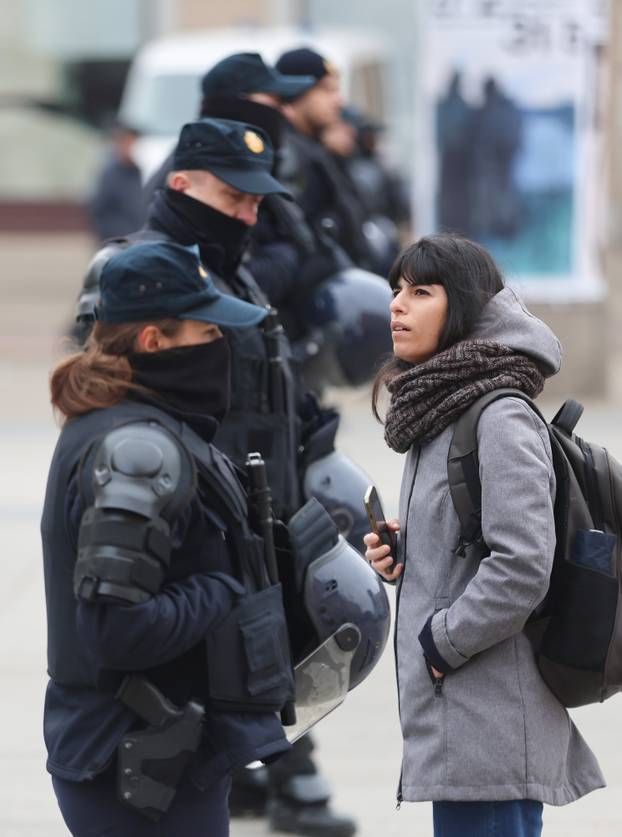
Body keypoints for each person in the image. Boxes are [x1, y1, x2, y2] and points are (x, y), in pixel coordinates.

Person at [75, 116, 362, 837]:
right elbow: (115, 402)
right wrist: (221, 579)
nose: (248, 214)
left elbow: (266, 385)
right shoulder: (137, 274)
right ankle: (286, 783)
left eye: (257, 201)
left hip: (247, 517)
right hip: (181, 546)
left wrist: (309, 439)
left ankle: (268, 776)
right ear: (181, 183)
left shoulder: (229, 273)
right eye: (234, 197)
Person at [42, 240, 295, 837]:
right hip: (135, 768)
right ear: (154, 341)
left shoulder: (145, 427)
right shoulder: (138, 453)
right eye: (207, 332)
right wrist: (224, 590)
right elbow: (116, 629)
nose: (221, 344)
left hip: (158, 759)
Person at [363, 233, 604, 837]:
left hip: (489, 723)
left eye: (421, 292)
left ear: (466, 307)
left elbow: (523, 565)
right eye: (396, 290)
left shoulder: (498, 415)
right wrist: (408, 552)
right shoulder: (443, 407)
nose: (397, 305)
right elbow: (472, 542)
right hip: (464, 724)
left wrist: (442, 642)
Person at [275, 47, 372, 269]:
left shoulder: (315, 148)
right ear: (295, 92)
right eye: (326, 90)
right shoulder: (288, 154)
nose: (339, 101)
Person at [88, 120, 144, 242]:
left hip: (137, 239)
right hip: (118, 241)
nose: (131, 147)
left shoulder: (137, 170)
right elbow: (100, 211)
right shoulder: (110, 174)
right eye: (127, 143)